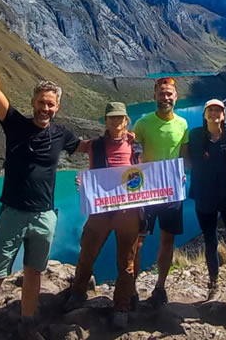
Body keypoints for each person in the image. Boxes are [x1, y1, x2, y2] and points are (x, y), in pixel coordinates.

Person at [0, 36, 80, 340]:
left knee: (34, 273)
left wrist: (123, 138)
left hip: (44, 216)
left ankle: (27, 325)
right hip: (13, 214)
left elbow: (87, 147)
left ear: (57, 107)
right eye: (41, 102)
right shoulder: (14, 123)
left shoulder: (61, 134)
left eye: (51, 103)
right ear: (33, 102)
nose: (45, 108)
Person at [64, 102, 142, 329]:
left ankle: (121, 307)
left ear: (126, 121)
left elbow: (146, 174)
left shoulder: (134, 145)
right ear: (105, 121)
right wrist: (84, 180)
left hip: (127, 212)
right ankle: (78, 293)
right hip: (100, 211)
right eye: (111, 118)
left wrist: (173, 181)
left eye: (120, 118)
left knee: (126, 263)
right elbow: (73, 148)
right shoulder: (93, 146)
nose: (116, 122)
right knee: (87, 254)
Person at [184, 98, 226, 314]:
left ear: (223, 115)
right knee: (210, 240)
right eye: (210, 110)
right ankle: (213, 283)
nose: (214, 113)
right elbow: (183, 158)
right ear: (204, 114)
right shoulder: (194, 136)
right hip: (204, 196)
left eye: (218, 110)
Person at [131, 76, 189, 307]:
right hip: (145, 190)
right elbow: (132, 155)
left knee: (168, 240)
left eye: (169, 94)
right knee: (138, 242)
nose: (165, 98)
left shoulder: (182, 124)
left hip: (171, 191)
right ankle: (131, 288)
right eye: (161, 94)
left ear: (176, 97)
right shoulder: (143, 123)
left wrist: (182, 172)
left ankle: (160, 287)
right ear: (154, 96)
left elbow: (182, 154)